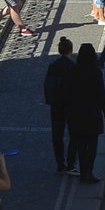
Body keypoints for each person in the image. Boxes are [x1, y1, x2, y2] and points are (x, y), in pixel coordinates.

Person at [65, 42, 105, 185]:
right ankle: (88, 172)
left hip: (76, 113)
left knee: (80, 145)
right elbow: (101, 93)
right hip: (92, 113)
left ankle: (83, 171)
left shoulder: (73, 71)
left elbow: (67, 93)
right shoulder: (95, 72)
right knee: (92, 146)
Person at [43, 36, 76, 172]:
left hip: (56, 104)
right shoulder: (73, 67)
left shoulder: (53, 66)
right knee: (73, 134)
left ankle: (60, 163)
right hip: (70, 104)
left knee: (57, 135)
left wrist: (50, 100)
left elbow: (48, 85)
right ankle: (70, 162)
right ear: (71, 50)